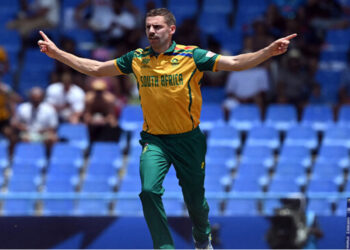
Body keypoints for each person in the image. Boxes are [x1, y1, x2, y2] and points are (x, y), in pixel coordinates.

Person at [38, 8, 296, 249]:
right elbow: (95, 68)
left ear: (171, 29)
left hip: (188, 140)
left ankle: (202, 237)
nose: (151, 31)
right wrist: (57, 53)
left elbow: (236, 62)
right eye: (148, 27)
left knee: (195, 201)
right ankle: (164, 246)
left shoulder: (192, 56)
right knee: (149, 191)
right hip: (155, 141)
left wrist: (267, 52)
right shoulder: (137, 58)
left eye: (157, 27)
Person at [84, 78, 122, 143]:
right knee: (85, 122)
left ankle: (112, 142)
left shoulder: (110, 100)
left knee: (114, 123)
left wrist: (104, 120)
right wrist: (92, 120)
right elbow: (87, 113)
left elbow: (111, 115)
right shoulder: (88, 99)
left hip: (105, 117)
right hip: (93, 117)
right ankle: (89, 143)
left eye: (100, 91)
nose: (98, 94)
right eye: (97, 91)